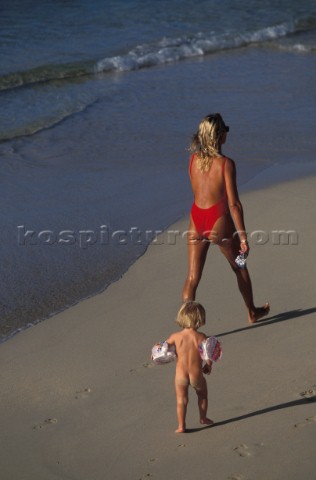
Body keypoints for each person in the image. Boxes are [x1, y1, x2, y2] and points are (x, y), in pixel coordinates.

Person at [182, 113, 269, 324]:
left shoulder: (192, 159)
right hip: (217, 221)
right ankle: (252, 312)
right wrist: (243, 238)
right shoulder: (225, 164)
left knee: (193, 277)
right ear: (219, 136)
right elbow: (234, 205)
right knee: (239, 265)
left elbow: (198, 190)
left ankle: (186, 324)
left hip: (196, 218)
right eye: (225, 130)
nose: (227, 134)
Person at [165, 301, 214, 433]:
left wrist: (157, 352)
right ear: (200, 319)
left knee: (181, 400)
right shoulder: (201, 337)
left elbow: (164, 348)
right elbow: (208, 353)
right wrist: (208, 365)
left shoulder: (175, 337)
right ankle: (203, 418)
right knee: (202, 395)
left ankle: (181, 426)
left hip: (180, 376)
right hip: (196, 374)